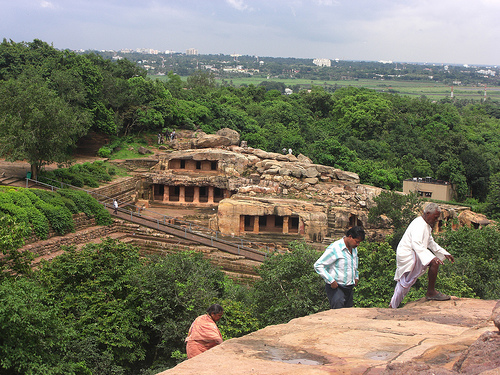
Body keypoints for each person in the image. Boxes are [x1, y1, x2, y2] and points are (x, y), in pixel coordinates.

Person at [390, 203, 455, 308]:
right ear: (428, 213)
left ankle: (393, 305)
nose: (436, 220)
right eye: (435, 217)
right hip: (408, 254)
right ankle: (430, 292)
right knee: (406, 282)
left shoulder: (426, 225)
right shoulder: (419, 224)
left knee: (405, 283)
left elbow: (430, 242)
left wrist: (444, 253)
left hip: (415, 253)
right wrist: (431, 258)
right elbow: (416, 244)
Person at [314, 226, 365, 309]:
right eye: (356, 241)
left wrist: (356, 276)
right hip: (337, 287)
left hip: (349, 286)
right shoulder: (335, 248)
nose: (358, 244)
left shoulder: (354, 248)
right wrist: (331, 280)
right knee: (338, 311)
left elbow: (354, 262)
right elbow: (318, 265)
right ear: (350, 237)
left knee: (348, 313)